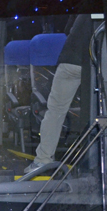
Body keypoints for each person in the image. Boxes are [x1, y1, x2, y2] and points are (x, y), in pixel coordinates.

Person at [26, 15, 90, 174]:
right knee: (100, 109)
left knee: (55, 111)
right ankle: (98, 160)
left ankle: (43, 160)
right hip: (96, 59)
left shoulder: (86, 3)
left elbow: (69, 29)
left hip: (71, 60)